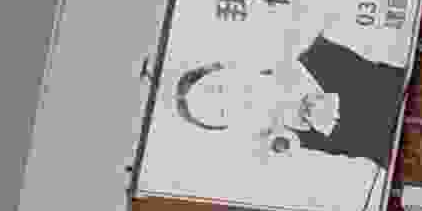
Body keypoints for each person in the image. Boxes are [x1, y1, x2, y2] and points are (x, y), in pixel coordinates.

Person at [170, 35, 405, 164]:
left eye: (221, 88)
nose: (234, 100)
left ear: (231, 68)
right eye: (223, 112)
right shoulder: (300, 147)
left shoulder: (313, 45)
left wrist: (343, 105)